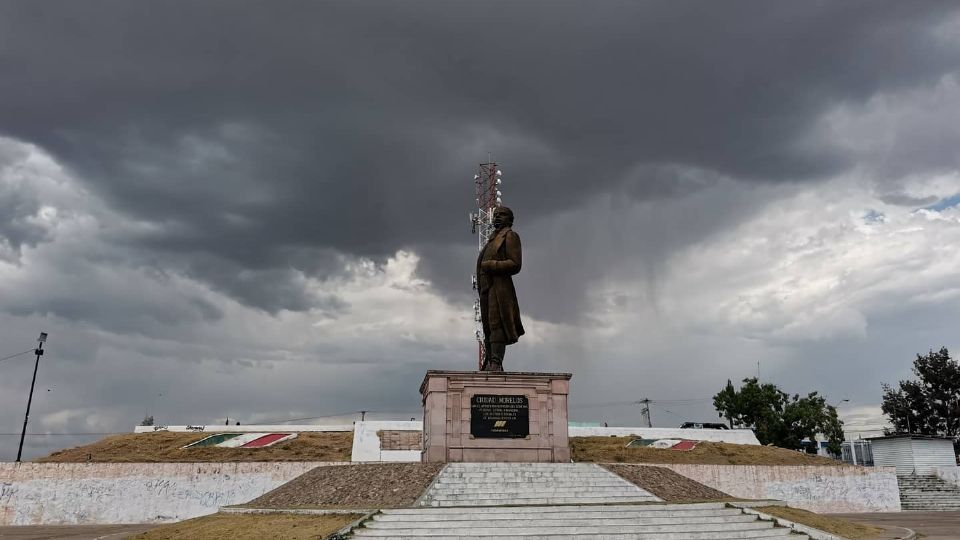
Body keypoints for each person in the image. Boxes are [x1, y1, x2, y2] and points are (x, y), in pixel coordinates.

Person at [476, 206, 525, 371]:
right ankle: (490, 360)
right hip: (486, 289)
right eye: (495, 215)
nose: (497, 217)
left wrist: (491, 265)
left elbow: (515, 264)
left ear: (510, 219)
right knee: (488, 325)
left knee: (497, 324)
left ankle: (496, 362)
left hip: (500, 288)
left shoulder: (510, 237)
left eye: (501, 215)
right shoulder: (491, 240)